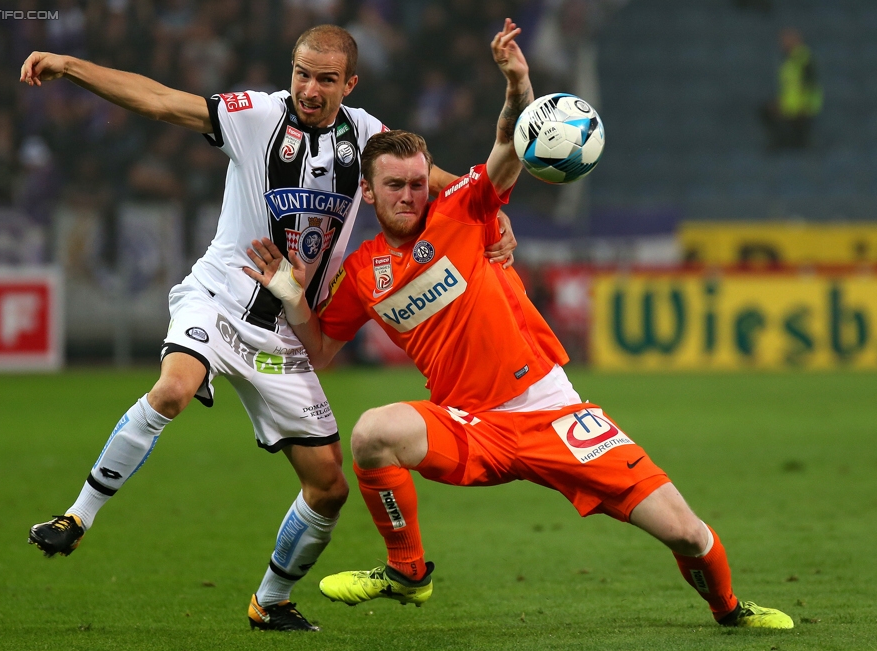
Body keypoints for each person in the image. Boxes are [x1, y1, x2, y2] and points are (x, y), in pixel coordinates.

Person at [244, 19, 794, 629]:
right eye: (394, 186)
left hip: (553, 414)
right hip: (470, 424)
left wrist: (518, 84)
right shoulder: (362, 272)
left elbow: (507, 149)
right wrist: (292, 294)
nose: (409, 195)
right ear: (368, 195)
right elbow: (318, 349)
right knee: (372, 433)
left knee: (686, 533)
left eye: (418, 184)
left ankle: (730, 612)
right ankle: (408, 571)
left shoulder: (461, 212)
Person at [18, 25, 516, 632]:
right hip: (220, 301)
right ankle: (77, 516)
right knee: (173, 389)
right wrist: (72, 65)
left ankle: (270, 601)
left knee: (329, 488)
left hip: (287, 333)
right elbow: (161, 100)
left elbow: (435, 185)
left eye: (325, 79)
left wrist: (492, 222)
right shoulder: (253, 115)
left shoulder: (365, 135)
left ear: (348, 84)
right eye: (302, 72)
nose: (309, 88)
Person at [760, 28, 823, 150]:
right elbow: (789, 86)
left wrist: (805, 106)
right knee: (766, 113)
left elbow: (810, 85)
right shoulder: (789, 59)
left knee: (800, 141)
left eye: (786, 40)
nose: (783, 43)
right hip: (789, 104)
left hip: (801, 107)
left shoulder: (804, 59)